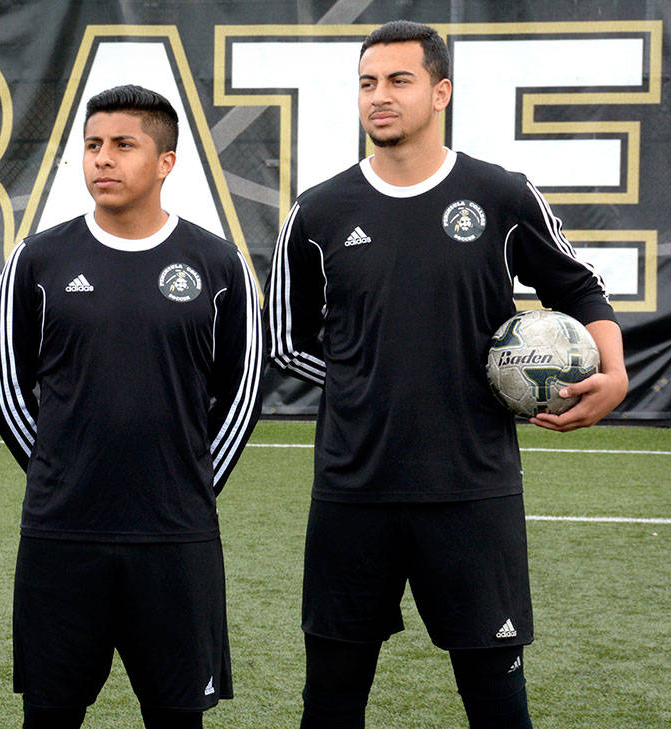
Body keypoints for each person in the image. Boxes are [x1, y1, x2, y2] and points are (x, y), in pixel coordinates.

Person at [266, 20, 628, 729]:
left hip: (471, 487)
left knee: (497, 701)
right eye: (368, 83)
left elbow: (581, 290)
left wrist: (613, 372)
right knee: (332, 699)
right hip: (353, 490)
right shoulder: (319, 211)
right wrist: (371, 383)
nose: (380, 97)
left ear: (441, 91)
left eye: (399, 80)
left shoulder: (500, 195)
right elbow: (289, 339)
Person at [0, 85, 265, 729]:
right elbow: (6, 388)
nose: (101, 160)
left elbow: (242, 393)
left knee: (176, 716)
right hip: (63, 536)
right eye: (91, 146)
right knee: (49, 714)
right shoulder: (40, 259)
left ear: (166, 162)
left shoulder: (218, 264)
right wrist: (62, 476)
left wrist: (190, 485)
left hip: (175, 537)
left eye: (122, 145)